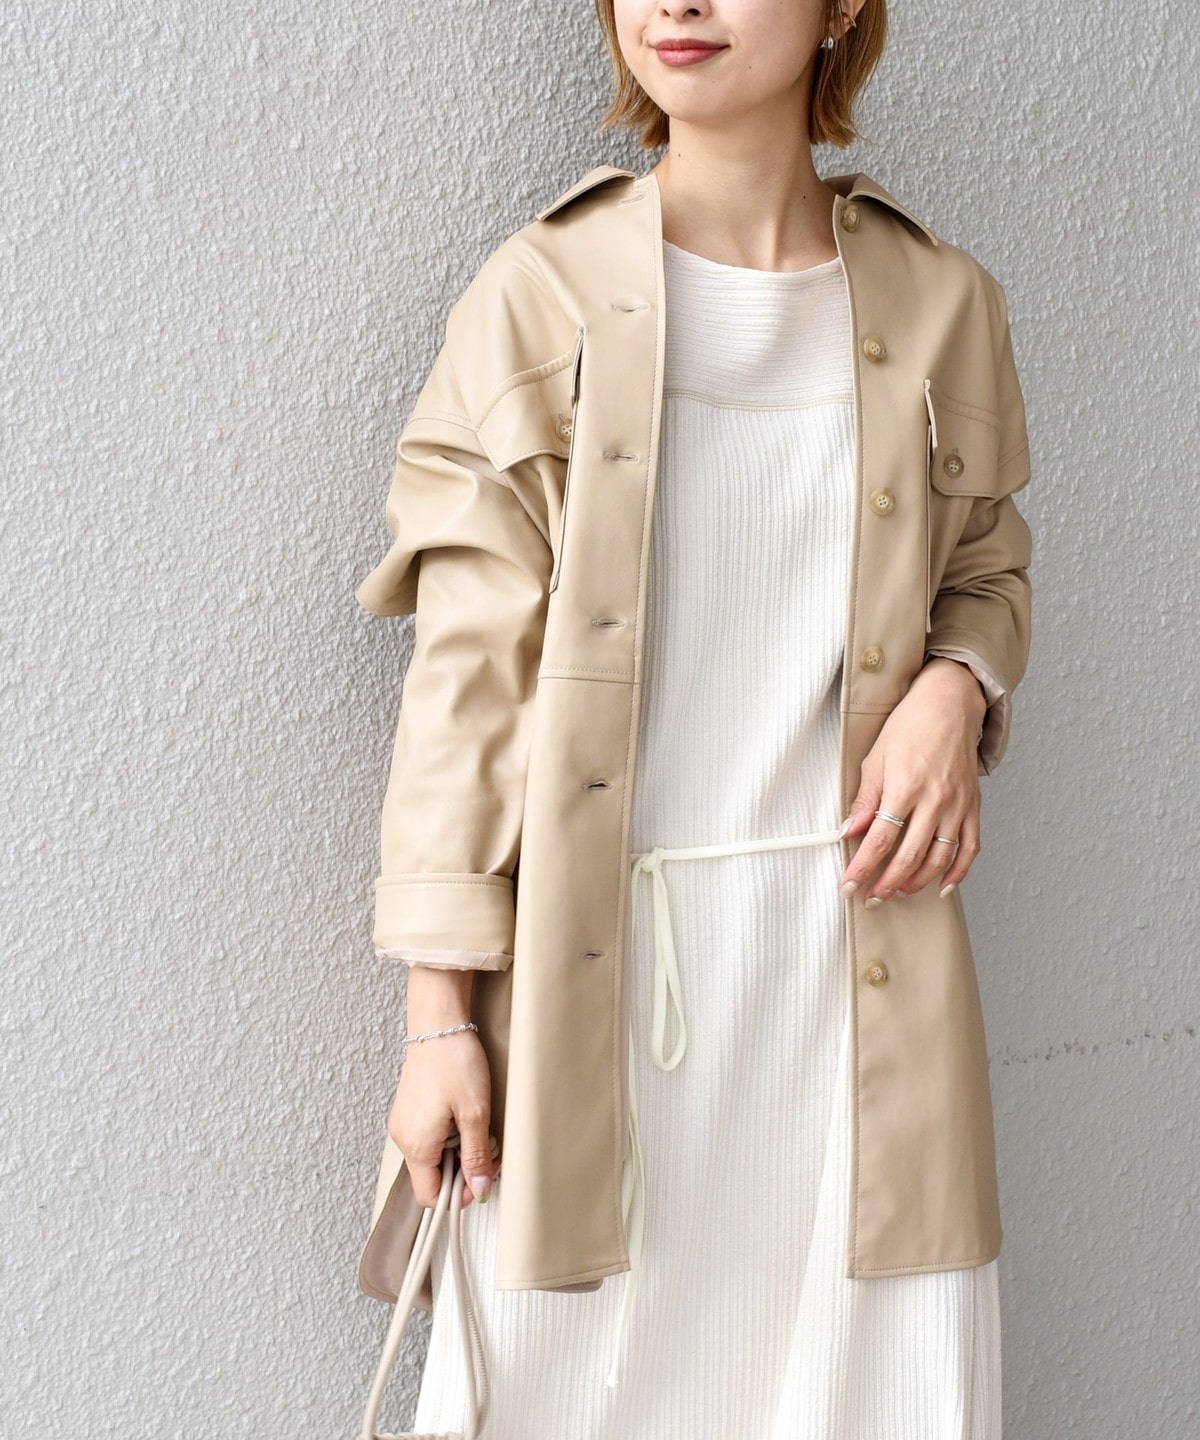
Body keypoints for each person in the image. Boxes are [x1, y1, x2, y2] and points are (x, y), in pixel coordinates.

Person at [357, 2, 1033, 1435]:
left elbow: (987, 567)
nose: (676, 4)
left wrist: (957, 685)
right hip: (596, 1002)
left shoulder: (943, 303)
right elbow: (465, 686)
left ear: (843, 8)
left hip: (856, 992)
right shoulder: (539, 295)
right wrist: (437, 1023)